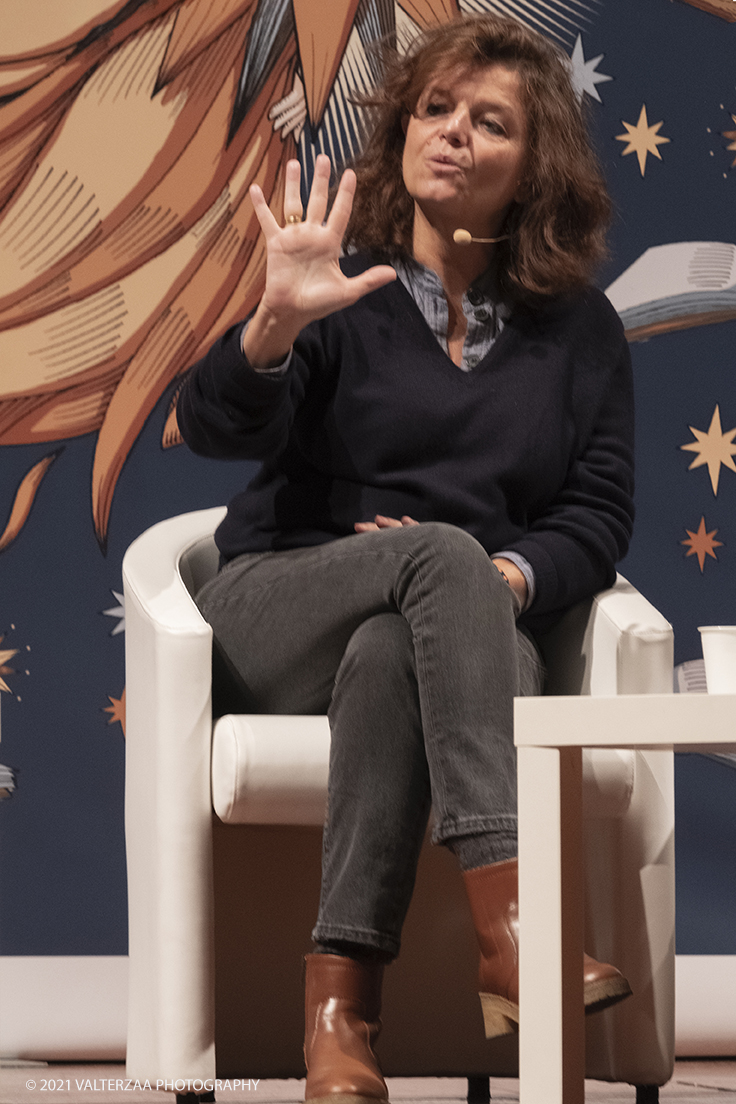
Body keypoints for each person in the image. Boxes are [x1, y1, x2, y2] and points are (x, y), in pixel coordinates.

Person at [178, 13, 635, 1104]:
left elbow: (596, 515)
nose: (453, 135)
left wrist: (504, 579)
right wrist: (270, 328)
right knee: (429, 564)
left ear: (535, 166)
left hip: (466, 634)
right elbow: (213, 429)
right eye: (435, 110)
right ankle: (513, 928)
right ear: (401, 135)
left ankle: (341, 1018)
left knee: (399, 640)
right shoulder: (340, 289)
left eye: (490, 122)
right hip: (277, 603)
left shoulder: (580, 333)